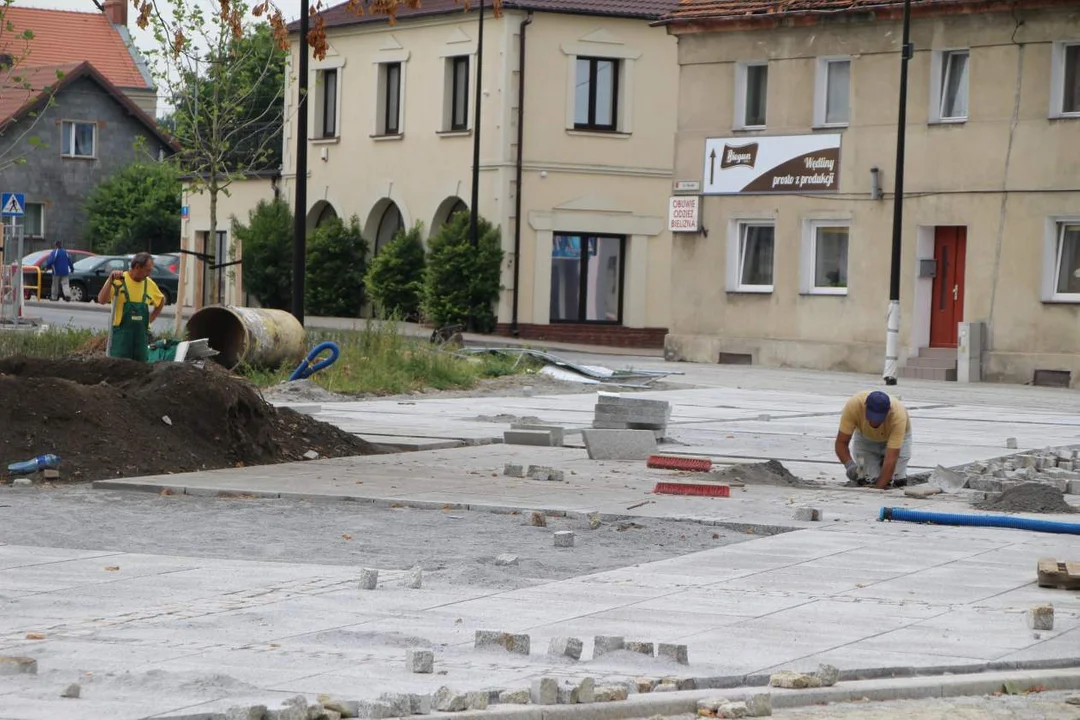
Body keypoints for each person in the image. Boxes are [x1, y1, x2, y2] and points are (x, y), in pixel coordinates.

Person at [834, 390, 913, 490]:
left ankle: (895, 474)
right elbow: (841, 442)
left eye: (879, 418)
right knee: (867, 480)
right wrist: (849, 465)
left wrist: (878, 489)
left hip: (898, 438)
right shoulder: (854, 406)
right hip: (866, 439)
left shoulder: (898, 415)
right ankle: (875, 469)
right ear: (865, 407)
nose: (875, 422)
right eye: (871, 417)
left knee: (897, 482)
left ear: (888, 411)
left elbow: (891, 458)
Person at [97, 252, 164, 362]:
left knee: (141, 369)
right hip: (121, 338)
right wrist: (110, 280)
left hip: (140, 338)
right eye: (147, 270)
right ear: (137, 267)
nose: (149, 274)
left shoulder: (149, 284)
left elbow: (161, 301)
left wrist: (150, 320)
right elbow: (101, 300)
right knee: (118, 367)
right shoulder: (119, 280)